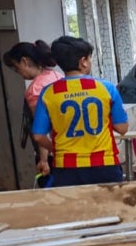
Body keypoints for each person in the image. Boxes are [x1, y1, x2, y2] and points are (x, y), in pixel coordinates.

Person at [31, 36, 129, 187]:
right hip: (104, 164)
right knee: (109, 210)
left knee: (74, 210)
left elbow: (38, 135)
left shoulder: (48, 93)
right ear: (83, 61)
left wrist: (55, 149)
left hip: (65, 168)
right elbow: (122, 128)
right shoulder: (106, 88)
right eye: (90, 59)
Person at [3, 40, 60, 179]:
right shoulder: (57, 76)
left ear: (25, 61)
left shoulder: (35, 89)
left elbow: (42, 131)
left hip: (55, 153)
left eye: (16, 68)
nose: (18, 72)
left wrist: (44, 160)